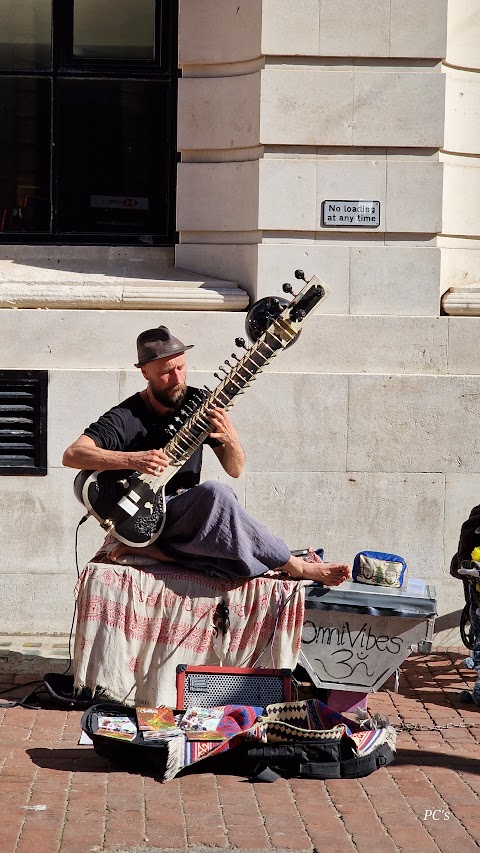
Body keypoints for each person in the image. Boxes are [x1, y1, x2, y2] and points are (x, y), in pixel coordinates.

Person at [63, 325, 351, 586]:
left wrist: (232, 440)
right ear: (145, 373)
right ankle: (294, 564)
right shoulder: (126, 415)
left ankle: (165, 555)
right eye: (165, 372)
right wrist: (133, 460)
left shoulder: (200, 403)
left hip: (188, 517)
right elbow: (73, 454)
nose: (176, 378)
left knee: (222, 512)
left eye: (180, 367)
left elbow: (235, 469)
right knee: (217, 493)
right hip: (146, 518)